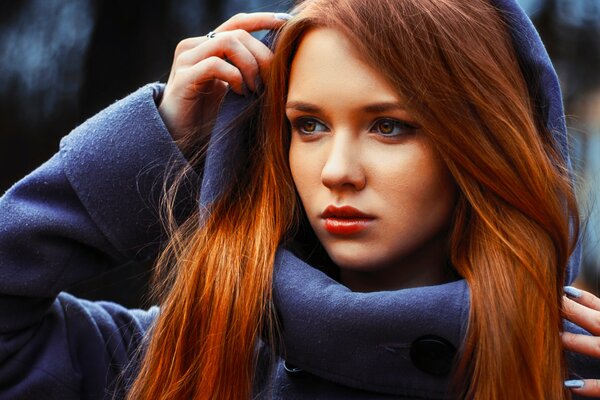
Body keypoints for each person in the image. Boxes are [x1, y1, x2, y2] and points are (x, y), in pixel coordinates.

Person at [1, 0, 599, 399]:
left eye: (389, 126)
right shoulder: (186, 355)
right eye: (308, 125)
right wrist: (162, 139)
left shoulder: (573, 368)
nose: (337, 171)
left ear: (484, 145)